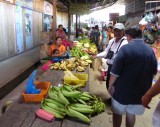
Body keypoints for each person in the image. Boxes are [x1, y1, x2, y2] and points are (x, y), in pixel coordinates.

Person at [108, 26, 157, 127]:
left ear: (129, 36)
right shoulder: (150, 50)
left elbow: (115, 73)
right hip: (140, 92)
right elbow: (154, 72)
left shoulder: (125, 49)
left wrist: (110, 85)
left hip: (122, 91)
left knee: (117, 113)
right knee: (131, 114)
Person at [94, 23, 128, 89]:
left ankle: (113, 98)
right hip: (110, 67)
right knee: (108, 84)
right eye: (116, 30)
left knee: (116, 85)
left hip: (118, 68)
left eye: (119, 31)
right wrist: (97, 55)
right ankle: (111, 97)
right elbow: (106, 52)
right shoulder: (111, 41)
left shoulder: (125, 42)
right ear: (113, 31)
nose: (117, 32)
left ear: (123, 31)